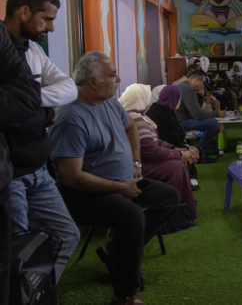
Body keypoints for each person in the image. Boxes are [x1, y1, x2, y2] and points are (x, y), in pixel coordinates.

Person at [49, 52, 179, 305]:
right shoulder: (71, 118)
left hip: (123, 182)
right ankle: (125, 295)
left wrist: (135, 163)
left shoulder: (108, 101)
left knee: (168, 196)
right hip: (85, 193)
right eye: (112, 74)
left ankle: (116, 251)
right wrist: (120, 188)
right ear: (93, 82)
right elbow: (71, 177)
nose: (118, 79)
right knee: (132, 216)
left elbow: (130, 127)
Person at [4, 0, 80, 283]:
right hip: (10, 175)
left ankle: (36, 296)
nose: (50, 27)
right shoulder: (3, 50)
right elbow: (8, 112)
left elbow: (69, 88)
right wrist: (45, 111)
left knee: (66, 236)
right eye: (46, 19)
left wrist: (32, 101)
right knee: (15, 253)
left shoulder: (34, 50)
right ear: (24, 12)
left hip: (39, 169)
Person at [0, 19, 43, 305]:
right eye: (47, 18)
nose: (50, 27)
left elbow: (29, 92)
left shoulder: (27, 48)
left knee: (10, 263)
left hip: (6, 174)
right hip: (15, 171)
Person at [119, 84, 198, 222]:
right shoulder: (134, 118)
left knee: (179, 163)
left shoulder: (140, 115)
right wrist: (178, 154)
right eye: (146, 97)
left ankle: (182, 208)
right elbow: (150, 150)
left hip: (142, 162)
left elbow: (158, 140)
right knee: (176, 166)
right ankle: (175, 213)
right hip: (137, 166)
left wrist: (174, 149)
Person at [176, 70, 223, 164]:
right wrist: (218, 114)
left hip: (181, 120)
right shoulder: (188, 90)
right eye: (203, 82)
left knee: (209, 122)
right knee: (213, 123)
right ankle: (199, 155)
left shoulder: (184, 86)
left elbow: (197, 110)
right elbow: (198, 115)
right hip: (181, 122)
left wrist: (201, 96)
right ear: (197, 80)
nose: (204, 85)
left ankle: (199, 149)